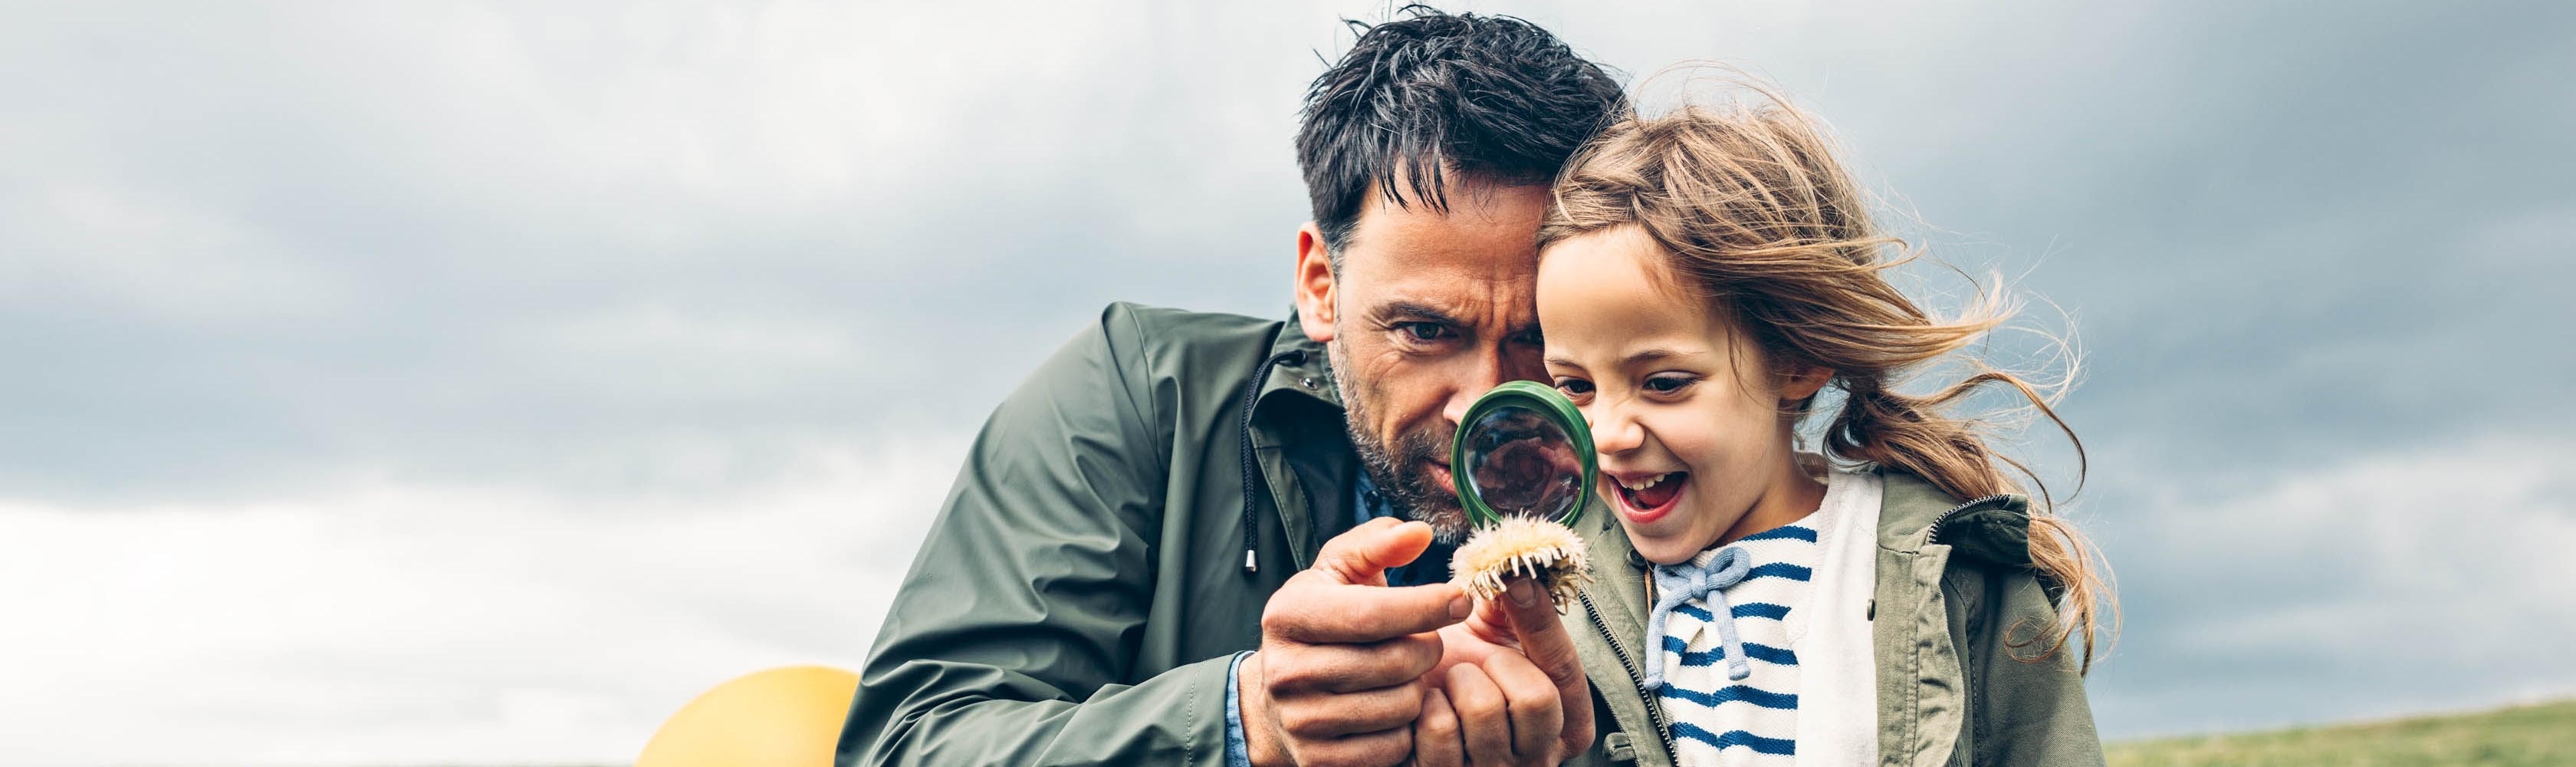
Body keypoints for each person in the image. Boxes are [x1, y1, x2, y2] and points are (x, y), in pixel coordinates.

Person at [836, 9, 1625, 766]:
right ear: (1320, 284)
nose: (1478, 404)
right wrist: (1248, 722)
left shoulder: (1666, 453)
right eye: (1424, 331)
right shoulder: (1145, 394)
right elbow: (909, 742)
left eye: (1541, 341)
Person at [1521, 88, 2114, 765]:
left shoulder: (1947, 569)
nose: (1609, 434)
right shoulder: (1565, 597)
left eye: (1663, 383)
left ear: (1795, 361)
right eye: (1575, 387)